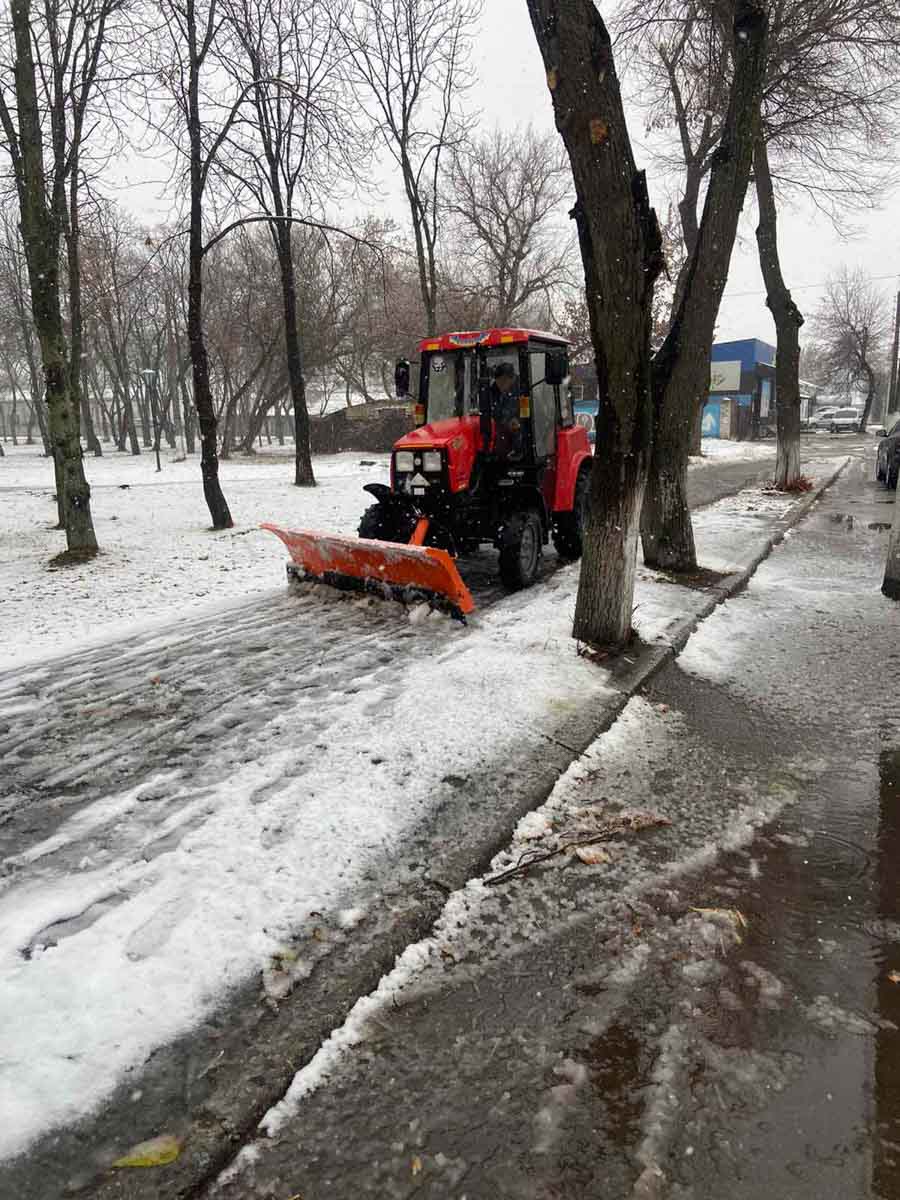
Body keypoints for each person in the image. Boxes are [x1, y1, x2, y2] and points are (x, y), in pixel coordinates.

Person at [489, 362, 523, 459]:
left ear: (511, 379)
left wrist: (519, 421)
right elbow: (493, 412)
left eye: (503, 382)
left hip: (520, 441)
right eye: (498, 383)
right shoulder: (494, 391)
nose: (500, 387)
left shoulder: (524, 390)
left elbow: (530, 414)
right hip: (499, 441)